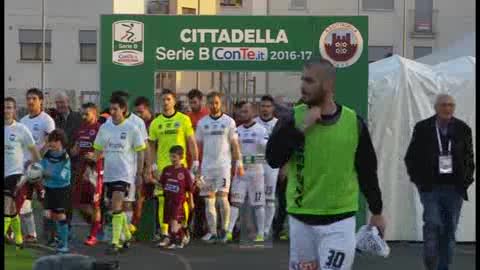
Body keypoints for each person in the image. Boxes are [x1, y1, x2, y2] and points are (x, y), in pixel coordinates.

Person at [266, 58, 386, 270]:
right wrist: (302, 128)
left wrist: (376, 211)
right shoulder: (292, 119)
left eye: (310, 81)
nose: (303, 86)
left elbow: (367, 170)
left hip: (339, 222)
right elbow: (273, 159)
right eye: (302, 79)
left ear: (328, 85)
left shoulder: (353, 122)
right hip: (301, 221)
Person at [404, 94, 475, 270]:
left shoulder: (463, 129)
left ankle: (443, 267)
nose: (447, 108)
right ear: (436, 107)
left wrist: (466, 180)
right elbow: (410, 157)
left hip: (454, 189)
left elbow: (469, 158)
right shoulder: (423, 128)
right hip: (430, 188)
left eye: (451, 105)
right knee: (433, 223)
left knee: (449, 230)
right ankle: (430, 262)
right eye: (443, 105)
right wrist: (419, 181)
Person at [93, 95, 146, 254]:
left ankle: (115, 242)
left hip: (125, 174)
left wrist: (139, 173)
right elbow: (97, 148)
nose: (113, 112)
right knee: (112, 207)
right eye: (111, 109)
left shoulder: (132, 128)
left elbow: (141, 151)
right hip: (109, 173)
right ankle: (127, 234)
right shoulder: (105, 128)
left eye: (116, 109)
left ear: (123, 109)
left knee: (116, 205)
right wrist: (94, 164)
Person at [148, 89, 199, 247]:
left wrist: (195, 161)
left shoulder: (183, 119)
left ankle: (181, 230)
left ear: (174, 101)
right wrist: (153, 165)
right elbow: (150, 145)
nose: (165, 102)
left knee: (181, 201)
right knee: (163, 200)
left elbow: (191, 141)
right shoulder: (156, 122)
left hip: (179, 168)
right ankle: (165, 234)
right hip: (163, 168)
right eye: (163, 99)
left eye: (168, 99)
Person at [195, 91, 243, 243]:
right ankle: (212, 232)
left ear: (220, 103)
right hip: (207, 167)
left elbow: (235, 144)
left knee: (222, 199)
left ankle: (225, 230)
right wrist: (196, 164)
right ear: (207, 104)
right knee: (209, 200)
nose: (213, 106)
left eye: (216, 103)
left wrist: (239, 162)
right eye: (211, 103)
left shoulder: (229, 121)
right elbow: (197, 145)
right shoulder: (202, 123)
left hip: (223, 166)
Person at [107, 91, 150, 235]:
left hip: (129, 171)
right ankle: (122, 234)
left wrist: (143, 169)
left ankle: (122, 236)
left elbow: (143, 148)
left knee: (127, 203)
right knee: (111, 204)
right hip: (111, 170)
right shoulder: (108, 122)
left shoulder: (137, 122)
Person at [225, 101, 267, 243]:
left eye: (246, 111)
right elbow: (233, 151)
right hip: (240, 172)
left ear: (253, 112)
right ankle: (229, 231)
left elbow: (266, 149)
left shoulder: (261, 129)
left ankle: (261, 233)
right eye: (241, 112)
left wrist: (263, 145)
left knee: (258, 203)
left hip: (256, 172)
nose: (243, 114)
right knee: (235, 202)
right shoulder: (238, 130)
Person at [19, 88, 56, 243]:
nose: (30, 101)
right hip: (24, 168)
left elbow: (49, 143)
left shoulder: (46, 120)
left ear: (41, 101)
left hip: (41, 168)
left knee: (46, 203)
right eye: (28, 98)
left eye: (34, 98)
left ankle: (52, 235)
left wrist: (35, 159)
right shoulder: (23, 121)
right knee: (24, 201)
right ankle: (31, 234)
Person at [4, 97, 41, 249]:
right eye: (5, 107)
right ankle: (19, 239)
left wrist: (35, 169)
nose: (6, 110)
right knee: (12, 208)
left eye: (9, 107)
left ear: (14, 110)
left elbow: (35, 153)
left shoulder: (21, 129)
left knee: (5, 204)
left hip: (15, 173)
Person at [70, 103, 104, 246]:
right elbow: (75, 150)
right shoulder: (81, 129)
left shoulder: (101, 129)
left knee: (95, 204)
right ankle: (99, 224)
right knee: (79, 204)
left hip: (95, 170)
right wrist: (70, 150)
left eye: (87, 114)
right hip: (81, 169)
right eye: (82, 114)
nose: (84, 117)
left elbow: (108, 149)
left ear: (95, 114)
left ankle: (93, 235)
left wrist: (97, 155)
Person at [39, 129, 72, 253]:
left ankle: (64, 244)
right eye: (51, 141)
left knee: (60, 215)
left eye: (55, 141)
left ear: (61, 142)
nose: (52, 144)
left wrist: (48, 174)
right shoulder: (47, 153)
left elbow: (63, 175)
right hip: (49, 187)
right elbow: (39, 162)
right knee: (51, 214)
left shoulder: (65, 157)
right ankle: (59, 239)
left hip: (61, 189)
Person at [158, 145, 195, 249]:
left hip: (178, 201)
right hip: (168, 199)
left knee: (174, 220)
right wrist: (153, 180)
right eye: (171, 156)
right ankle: (181, 233)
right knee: (170, 220)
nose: (172, 159)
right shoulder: (167, 169)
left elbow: (190, 189)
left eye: (174, 157)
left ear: (181, 157)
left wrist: (191, 202)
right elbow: (161, 184)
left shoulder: (184, 172)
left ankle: (175, 241)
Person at [254, 95, 279, 239]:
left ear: (273, 108)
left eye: (268, 106)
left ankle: (266, 230)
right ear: (259, 108)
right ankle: (257, 229)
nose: (265, 109)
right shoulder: (254, 123)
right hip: (256, 164)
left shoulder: (278, 124)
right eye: (263, 106)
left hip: (272, 165)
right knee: (257, 199)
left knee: (269, 198)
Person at [185, 89, 209, 239]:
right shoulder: (186, 117)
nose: (192, 105)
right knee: (188, 197)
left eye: (194, 102)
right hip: (188, 162)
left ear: (201, 101)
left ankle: (201, 228)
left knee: (203, 198)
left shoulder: (207, 116)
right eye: (190, 102)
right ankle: (186, 227)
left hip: (205, 163)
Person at [130, 96, 155, 234]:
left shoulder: (155, 123)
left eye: (141, 112)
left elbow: (151, 147)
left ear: (147, 109)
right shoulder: (134, 124)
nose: (139, 115)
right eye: (137, 113)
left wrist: (149, 168)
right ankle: (133, 228)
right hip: (137, 166)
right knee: (137, 197)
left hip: (153, 167)